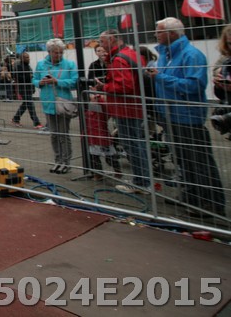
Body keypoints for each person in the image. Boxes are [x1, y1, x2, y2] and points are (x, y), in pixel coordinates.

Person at [147, 17, 225, 216]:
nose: (155, 34)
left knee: (199, 160)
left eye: (159, 31)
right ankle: (190, 195)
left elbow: (194, 85)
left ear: (172, 33)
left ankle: (211, 203)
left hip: (187, 116)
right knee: (182, 159)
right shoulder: (165, 55)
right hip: (169, 115)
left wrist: (160, 77)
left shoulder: (192, 55)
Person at [93, 30, 147, 191]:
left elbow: (124, 86)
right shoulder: (132, 54)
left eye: (102, 41)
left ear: (112, 40)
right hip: (133, 107)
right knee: (137, 144)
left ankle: (141, 183)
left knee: (132, 145)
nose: (101, 45)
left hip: (126, 109)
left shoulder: (119, 59)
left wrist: (104, 87)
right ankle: (142, 180)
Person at [33, 39, 78, 173]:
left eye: (60, 53)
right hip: (48, 103)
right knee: (54, 134)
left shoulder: (69, 64)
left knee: (63, 134)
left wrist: (57, 81)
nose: (58, 55)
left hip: (63, 104)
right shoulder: (41, 64)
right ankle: (57, 160)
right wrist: (40, 82)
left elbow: (74, 82)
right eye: (55, 53)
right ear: (49, 52)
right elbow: (34, 79)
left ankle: (66, 162)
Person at [83, 44, 120, 178]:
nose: (101, 53)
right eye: (98, 50)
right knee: (96, 150)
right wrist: (94, 93)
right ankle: (100, 173)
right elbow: (90, 80)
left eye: (103, 50)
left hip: (107, 98)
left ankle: (114, 169)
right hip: (97, 98)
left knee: (105, 147)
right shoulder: (94, 65)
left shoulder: (112, 64)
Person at [11, 52, 41, 128]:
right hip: (23, 89)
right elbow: (18, 77)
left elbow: (31, 78)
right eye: (27, 57)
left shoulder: (28, 66)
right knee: (30, 105)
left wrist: (32, 87)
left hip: (29, 88)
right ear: (22, 58)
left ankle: (16, 118)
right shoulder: (18, 67)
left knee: (25, 105)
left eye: (28, 57)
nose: (29, 59)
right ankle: (36, 123)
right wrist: (28, 76)